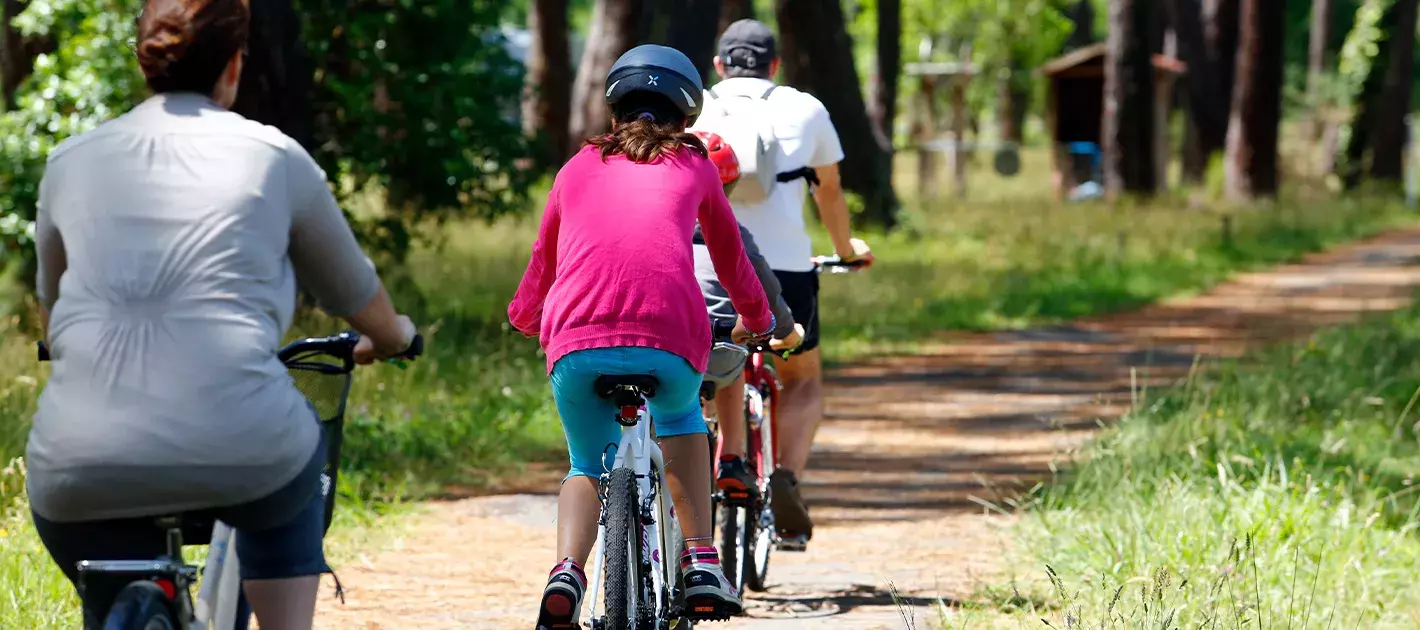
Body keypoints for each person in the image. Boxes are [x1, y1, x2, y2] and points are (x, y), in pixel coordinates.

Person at [25, 1, 420, 628]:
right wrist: (397, 337)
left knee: (105, 574)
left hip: (78, 466)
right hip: (248, 450)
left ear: (144, 60)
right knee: (293, 470)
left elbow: (53, 313)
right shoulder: (274, 157)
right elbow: (357, 295)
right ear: (234, 65)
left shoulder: (69, 162)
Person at [508, 45, 775, 628]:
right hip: (670, 337)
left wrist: (526, 317)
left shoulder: (577, 166)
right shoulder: (697, 165)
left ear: (614, 111)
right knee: (681, 422)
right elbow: (731, 262)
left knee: (584, 462)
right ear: (686, 117)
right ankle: (702, 560)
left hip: (577, 340)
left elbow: (543, 262)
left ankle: (567, 574)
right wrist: (759, 320)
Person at [691, 18, 875, 546]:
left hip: (703, 262)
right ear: (775, 65)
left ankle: (710, 465)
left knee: (700, 368)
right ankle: (786, 476)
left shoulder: (693, 107)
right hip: (788, 268)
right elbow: (830, 193)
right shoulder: (805, 108)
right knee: (803, 377)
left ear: (719, 65)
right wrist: (846, 251)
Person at [690, 130, 801, 501]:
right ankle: (732, 458)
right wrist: (784, 327)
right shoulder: (731, 231)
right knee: (733, 367)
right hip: (714, 347)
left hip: (653, 339)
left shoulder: (648, 225)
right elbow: (763, 286)